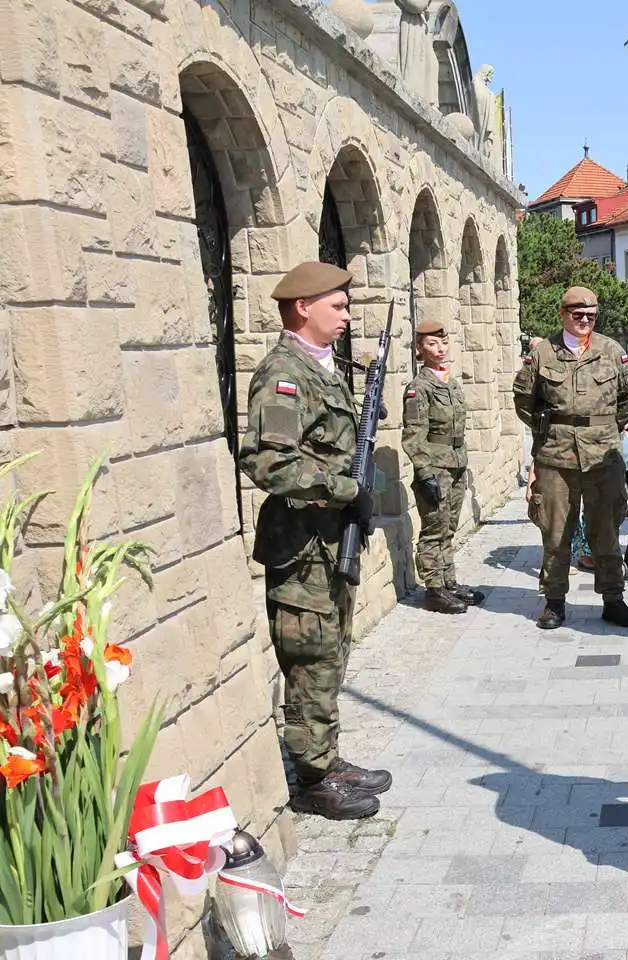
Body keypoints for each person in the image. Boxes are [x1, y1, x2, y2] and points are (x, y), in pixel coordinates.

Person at [238, 262, 391, 821]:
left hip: (328, 543)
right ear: (303, 307)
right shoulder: (284, 373)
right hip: (302, 547)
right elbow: (268, 461)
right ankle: (310, 780)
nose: (347, 314)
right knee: (309, 658)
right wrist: (341, 486)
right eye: (339, 305)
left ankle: (323, 757)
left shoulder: (320, 369)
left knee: (330, 653)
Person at [513, 286, 628, 630]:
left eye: (591, 316)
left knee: (607, 531)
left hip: (604, 455)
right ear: (563, 314)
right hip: (556, 455)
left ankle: (613, 599)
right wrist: (551, 429)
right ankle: (554, 602)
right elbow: (524, 399)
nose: (584, 320)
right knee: (555, 533)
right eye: (577, 314)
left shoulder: (611, 350)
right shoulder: (543, 354)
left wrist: (607, 428)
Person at [401, 318, 484, 615]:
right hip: (436, 468)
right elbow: (413, 435)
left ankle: (449, 582)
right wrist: (424, 473)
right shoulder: (418, 387)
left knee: (449, 527)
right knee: (434, 529)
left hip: (456, 465)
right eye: (432, 344)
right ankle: (434, 589)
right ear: (419, 350)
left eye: (443, 342)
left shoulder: (449, 382)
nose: (440, 348)